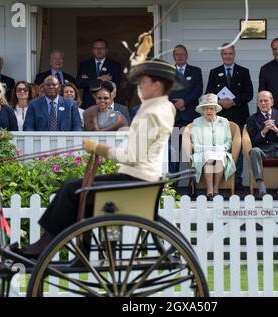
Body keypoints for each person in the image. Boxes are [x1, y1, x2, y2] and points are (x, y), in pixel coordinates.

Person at [12, 59, 185, 259]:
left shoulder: (151, 113)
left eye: (143, 82)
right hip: (141, 180)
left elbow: (131, 156)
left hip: (136, 181)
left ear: (156, 85)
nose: (139, 86)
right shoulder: (162, 108)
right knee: (78, 188)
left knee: (71, 189)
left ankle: (43, 246)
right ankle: (63, 247)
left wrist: (98, 148)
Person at [205, 44, 253, 189]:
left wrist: (234, 101)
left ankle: (237, 181)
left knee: (237, 148)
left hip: (239, 115)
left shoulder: (243, 72)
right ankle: (223, 181)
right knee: (221, 148)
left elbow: (249, 93)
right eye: (225, 54)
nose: (227, 56)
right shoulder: (215, 72)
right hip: (220, 117)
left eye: (230, 53)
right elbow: (208, 93)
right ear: (221, 55)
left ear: (234, 54)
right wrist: (218, 101)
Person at [246, 91, 278, 199]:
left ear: (272, 102)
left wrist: (276, 130)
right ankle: (261, 189)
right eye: (260, 101)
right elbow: (253, 141)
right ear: (258, 104)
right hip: (263, 150)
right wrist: (264, 131)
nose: (263, 103)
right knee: (254, 151)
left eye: (266, 100)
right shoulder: (252, 119)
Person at [191, 94, 236, 200]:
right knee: (209, 158)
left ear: (216, 109)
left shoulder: (223, 121)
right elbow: (195, 142)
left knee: (220, 158)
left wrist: (223, 148)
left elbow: (228, 141)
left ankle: (216, 190)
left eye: (211, 108)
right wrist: (206, 149)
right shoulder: (197, 122)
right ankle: (209, 190)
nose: (209, 111)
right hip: (202, 153)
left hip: (220, 152)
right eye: (206, 109)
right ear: (202, 110)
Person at [168, 44, 203, 173]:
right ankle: (172, 185)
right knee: (174, 153)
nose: (180, 56)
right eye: (177, 54)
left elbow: (198, 90)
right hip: (174, 118)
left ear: (187, 56)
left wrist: (185, 102)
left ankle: (193, 183)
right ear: (173, 56)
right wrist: (176, 104)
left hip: (190, 118)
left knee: (192, 152)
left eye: (182, 54)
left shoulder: (195, 71)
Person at [76, 39, 122, 109]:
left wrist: (89, 80)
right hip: (89, 104)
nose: (99, 50)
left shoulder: (115, 65)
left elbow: (116, 85)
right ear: (92, 50)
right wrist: (99, 79)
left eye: (102, 48)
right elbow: (79, 83)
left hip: (107, 104)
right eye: (96, 48)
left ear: (106, 50)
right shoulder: (85, 65)